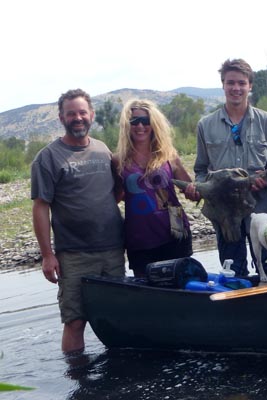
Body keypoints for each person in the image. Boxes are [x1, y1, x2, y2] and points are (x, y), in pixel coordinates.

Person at [31, 89, 125, 353]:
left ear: (91, 115)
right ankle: (77, 381)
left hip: (113, 250)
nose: (78, 118)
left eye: (82, 112)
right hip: (73, 254)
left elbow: (116, 190)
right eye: (71, 113)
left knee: (118, 314)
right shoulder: (47, 157)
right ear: (61, 117)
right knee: (75, 320)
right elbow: (40, 207)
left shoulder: (102, 150)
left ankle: (119, 374)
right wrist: (47, 255)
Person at [184, 58, 267, 277]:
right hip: (225, 211)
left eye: (241, 83)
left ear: (250, 86)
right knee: (233, 272)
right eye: (230, 83)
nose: (236, 88)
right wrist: (199, 187)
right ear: (223, 85)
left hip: (262, 206)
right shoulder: (205, 125)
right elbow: (201, 168)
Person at [113, 99, 194, 277]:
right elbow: (115, 197)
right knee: (148, 295)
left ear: (154, 124)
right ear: (127, 125)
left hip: (175, 235)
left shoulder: (169, 155)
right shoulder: (118, 160)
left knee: (182, 290)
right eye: (134, 121)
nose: (140, 126)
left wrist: (194, 191)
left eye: (145, 121)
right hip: (140, 239)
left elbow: (191, 191)